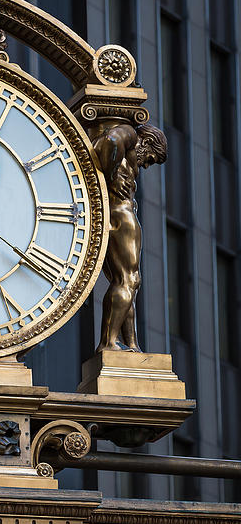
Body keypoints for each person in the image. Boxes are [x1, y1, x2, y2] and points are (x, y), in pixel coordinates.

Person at [92, 121, 168, 352]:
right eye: (151, 158)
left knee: (127, 281)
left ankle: (130, 343)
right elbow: (111, 140)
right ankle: (108, 343)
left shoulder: (129, 145)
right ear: (148, 142)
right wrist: (113, 175)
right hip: (120, 213)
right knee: (129, 280)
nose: (146, 165)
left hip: (116, 213)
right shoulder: (129, 134)